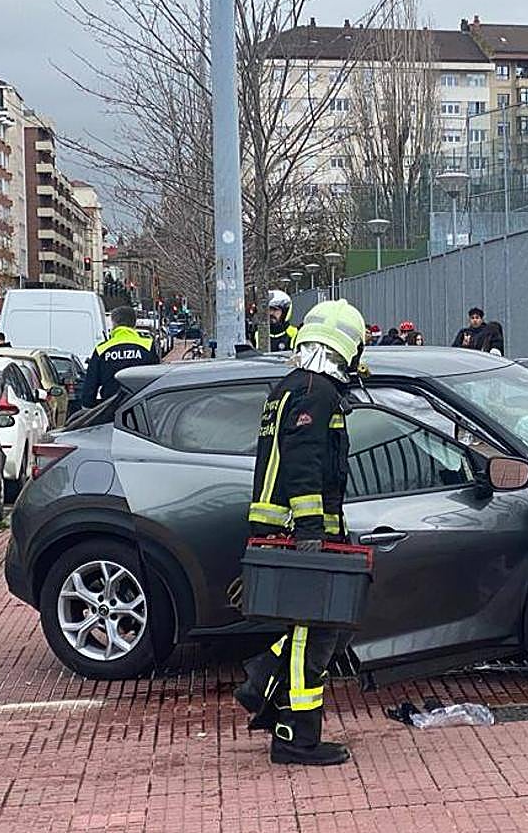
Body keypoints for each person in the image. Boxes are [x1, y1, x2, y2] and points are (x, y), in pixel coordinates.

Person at [235, 299, 368, 767]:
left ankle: (260, 679)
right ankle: (295, 737)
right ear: (346, 346)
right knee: (315, 634)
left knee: (319, 627)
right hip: (300, 532)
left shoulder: (291, 386)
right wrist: (312, 528)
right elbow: (304, 462)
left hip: (283, 529)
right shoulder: (317, 393)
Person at [80, 305, 159, 408]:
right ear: (134, 323)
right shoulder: (147, 346)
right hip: (141, 410)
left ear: (114, 323)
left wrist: (89, 409)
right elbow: (156, 380)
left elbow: (90, 388)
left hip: (111, 411)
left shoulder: (102, 350)